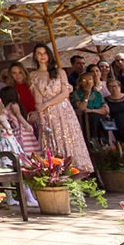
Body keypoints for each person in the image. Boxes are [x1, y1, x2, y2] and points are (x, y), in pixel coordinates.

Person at [29, 43, 93, 173]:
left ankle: (77, 173)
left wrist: (46, 104)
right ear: (35, 56)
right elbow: (38, 98)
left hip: (63, 110)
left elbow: (65, 93)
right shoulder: (33, 75)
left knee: (69, 140)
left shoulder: (59, 72)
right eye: (39, 53)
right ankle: (59, 174)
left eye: (45, 53)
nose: (42, 56)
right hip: (47, 114)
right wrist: (41, 119)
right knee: (53, 142)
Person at [0, 99, 39, 208]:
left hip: (1, 146)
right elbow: (6, 126)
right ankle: (29, 198)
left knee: (5, 171)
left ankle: (9, 198)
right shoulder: (2, 118)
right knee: (20, 169)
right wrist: (9, 129)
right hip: (10, 145)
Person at [0, 85, 42, 156]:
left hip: (16, 130)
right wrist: (26, 124)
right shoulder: (13, 104)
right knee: (27, 148)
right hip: (21, 131)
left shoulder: (7, 107)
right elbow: (18, 115)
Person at [72, 71, 109, 141]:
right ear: (80, 82)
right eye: (84, 80)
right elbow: (82, 108)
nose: (88, 82)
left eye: (90, 80)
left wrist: (91, 110)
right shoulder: (77, 93)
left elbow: (106, 110)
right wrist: (87, 95)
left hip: (99, 121)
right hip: (86, 122)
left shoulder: (97, 94)